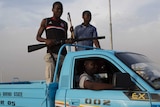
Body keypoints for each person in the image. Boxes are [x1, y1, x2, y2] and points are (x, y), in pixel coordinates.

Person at [36, 1, 72, 84]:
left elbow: (65, 40)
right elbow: (38, 37)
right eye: (58, 9)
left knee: (63, 81)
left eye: (61, 9)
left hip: (62, 55)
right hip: (51, 54)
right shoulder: (46, 21)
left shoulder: (64, 24)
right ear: (53, 9)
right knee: (50, 80)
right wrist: (46, 41)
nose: (59, 11)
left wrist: (69, 40)